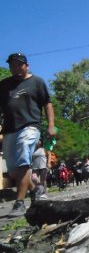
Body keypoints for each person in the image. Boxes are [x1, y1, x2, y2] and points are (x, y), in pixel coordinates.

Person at [0, 53, 56, 217]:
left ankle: (19, 203)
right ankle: (35, 189)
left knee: (23, 159)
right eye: (12, 65)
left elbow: (47, 104)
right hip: (10, 130)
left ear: (27, 65)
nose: (15, 68)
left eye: (19, 65)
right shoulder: (4, 85)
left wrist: (51, 125)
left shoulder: (37, 82)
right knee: (13, 172)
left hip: (30, 127)